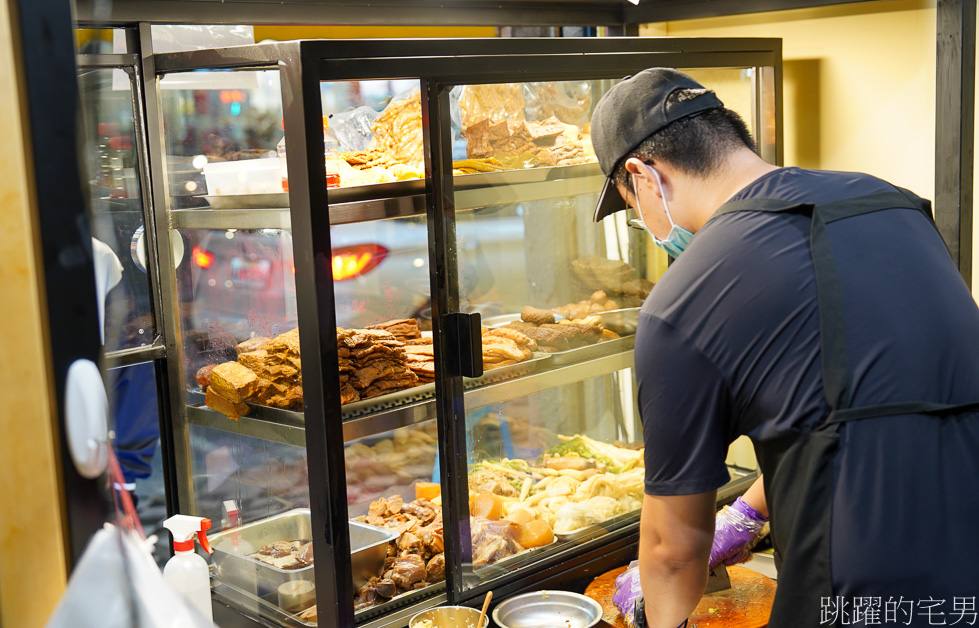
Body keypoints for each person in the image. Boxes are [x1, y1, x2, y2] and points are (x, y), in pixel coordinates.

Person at [590, 68, 979, 628]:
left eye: (631, 207)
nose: (644, 224)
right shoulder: (893, 205)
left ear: (643, 176)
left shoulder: (683, 300)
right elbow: (858, 404)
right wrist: (747, 513)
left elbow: (672, 552)